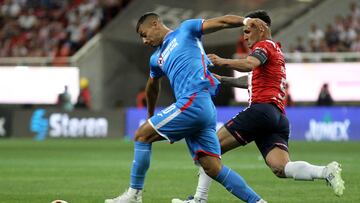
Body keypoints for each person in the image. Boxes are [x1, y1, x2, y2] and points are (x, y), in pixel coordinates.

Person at [172, 10, 344, 203]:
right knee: (281, 167)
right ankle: (325, 171)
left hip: (261, 110)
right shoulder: (275, 50)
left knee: (209, 149)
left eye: (247, 31)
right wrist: (224, 80)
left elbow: (249, 64)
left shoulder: (263, 46)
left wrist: (223, 61)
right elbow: (251, 80)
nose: (244, 37)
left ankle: (199, 199)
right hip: (277, 118)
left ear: (261, 28)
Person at [105, 12, 269, 203]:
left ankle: (134, 195)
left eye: (144, 33)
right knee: (213, 168)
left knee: (142, 136)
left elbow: (222, 22)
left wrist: (246, 21)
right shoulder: (155, 58)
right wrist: (150, 115)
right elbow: (152, 86)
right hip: (203, 109)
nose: (143, 40)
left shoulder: (186, 30)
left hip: (194, 101)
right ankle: (258, 202)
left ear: (155, 24)